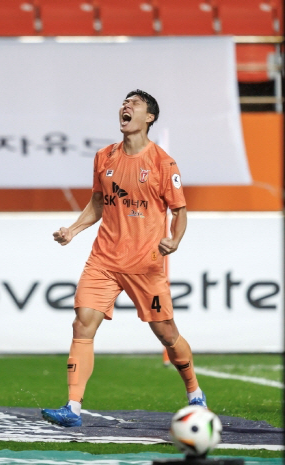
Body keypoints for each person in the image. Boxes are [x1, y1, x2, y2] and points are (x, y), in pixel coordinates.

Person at [41, 89, 206, 428]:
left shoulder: (163, 163)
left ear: (150, 118)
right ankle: (72, 407)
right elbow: (98, 203)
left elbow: (180, 211)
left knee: (166, 334)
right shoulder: (104, 157)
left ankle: (194, 391)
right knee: (82, 323)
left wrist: (174, 239)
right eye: (124, 103)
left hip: (145, 265)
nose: (126, 107)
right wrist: (73, 230)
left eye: (135, 104)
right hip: (104, 260)